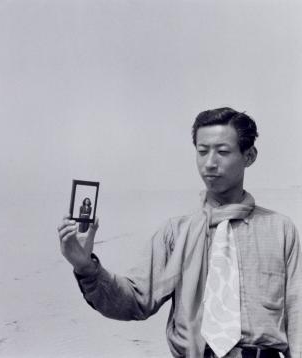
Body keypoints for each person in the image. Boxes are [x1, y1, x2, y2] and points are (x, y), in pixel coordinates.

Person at [57, 107, 302, 358]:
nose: (210, 163)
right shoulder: (174, 234)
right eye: (202, 151)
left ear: (249, 156)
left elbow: (298, 319)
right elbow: (134, 301)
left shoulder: (280, 230)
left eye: (223, 151)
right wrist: (85, 266)